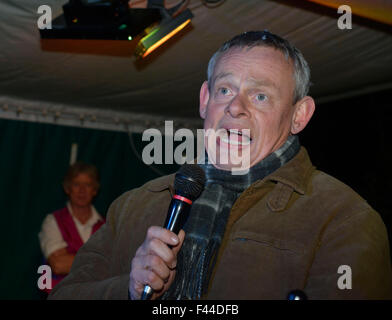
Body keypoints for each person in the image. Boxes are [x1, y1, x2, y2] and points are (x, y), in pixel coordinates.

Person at [49, 31, 392, 300]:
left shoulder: (343, 219)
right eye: (225, 90)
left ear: (299, 115)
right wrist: (127, 288)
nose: (235, 108)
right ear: (204, 99)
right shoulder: (134, 204)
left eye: (260, 96)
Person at [38, 162, 105, 293]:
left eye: (87, 185)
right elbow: (58, 265)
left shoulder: (106, 226)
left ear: (95, 190)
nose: (81, 190)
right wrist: (99, 262)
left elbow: (114, 266)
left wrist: (71, 259)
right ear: (67, 188)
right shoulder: (53, 221)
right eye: (76, 184)